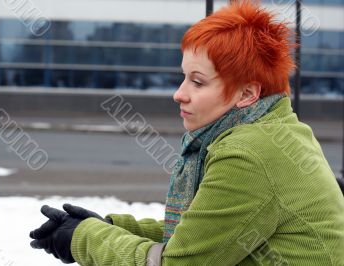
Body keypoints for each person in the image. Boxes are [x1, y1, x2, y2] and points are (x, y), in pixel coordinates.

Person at [29, 2, 344, 265]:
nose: (179, 94)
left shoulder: (249, 155)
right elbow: (207, 234)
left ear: (247, 94)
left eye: (198, 81)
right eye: (184, 78)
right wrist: (111, 226)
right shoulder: (277, 131)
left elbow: (179, 262)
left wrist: (84, 237)